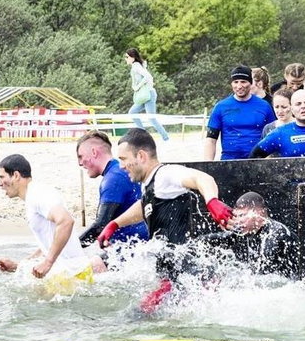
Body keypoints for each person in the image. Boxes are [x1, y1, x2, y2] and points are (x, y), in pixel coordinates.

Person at [96, 128, 234, 311]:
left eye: (123, 159)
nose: (121, 166)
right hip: (175, 277)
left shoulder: (166, 174)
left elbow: (202, 178)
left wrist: (212, 201)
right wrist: (115, 224)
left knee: (137, 317)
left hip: (187, 276)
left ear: (141, 156)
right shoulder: (151, 183)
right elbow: (145, 205)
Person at [0, 154, 105, 279]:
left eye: (2, 177)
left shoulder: (37, 194)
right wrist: (17, 266)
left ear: (15, 175)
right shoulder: (33, 195)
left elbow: (66, 221)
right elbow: (49, 242)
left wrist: (48, 262)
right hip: (70, 274)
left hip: (72, 275)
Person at [201, 191, 301, 276]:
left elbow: (263, 274)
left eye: (242, 215)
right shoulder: (246, 232)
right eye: (237, 216)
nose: (238, 221)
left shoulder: (276, 234)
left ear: (258, 213)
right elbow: (212, 240)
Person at [75, 131, 148, 246]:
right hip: (141, 241)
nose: (79, 163)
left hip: (132, 247)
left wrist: (67, 248)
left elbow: (100, 226)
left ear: (94, 152)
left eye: (80, 156)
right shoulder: (119, 170)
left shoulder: (113, 178)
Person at [204, 65, 276, 160]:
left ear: (250, 83)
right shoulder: (220, 107)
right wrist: (207, 165)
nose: (239, 86)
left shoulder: (265, 106)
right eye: (235, 82)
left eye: (243, 82)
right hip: (229, 161)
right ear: (231, 84)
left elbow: (273, 137)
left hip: (258, 161)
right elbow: (211, 140)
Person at [126, 47, 169, 141]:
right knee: (132, 112)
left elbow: (148, 76)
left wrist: (138, 87)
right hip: (144, 96)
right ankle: (143, 134)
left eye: (127, 57)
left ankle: (165, 138)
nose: (126, 59)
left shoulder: (136, 66)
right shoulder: (137, 65)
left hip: (148, 95)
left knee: (151, 118)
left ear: (132, 57)